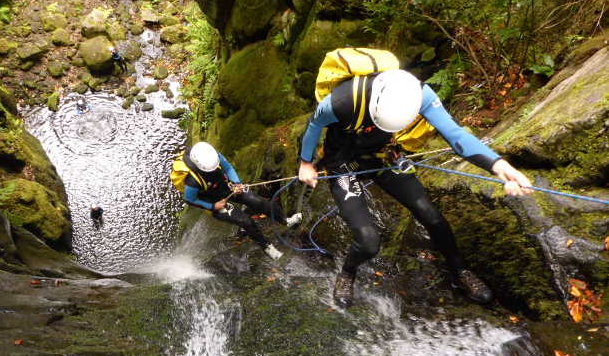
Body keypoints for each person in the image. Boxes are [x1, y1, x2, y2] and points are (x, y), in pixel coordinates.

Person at [297, 69, 533, 308]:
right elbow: (314, 125)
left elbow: (455, 134)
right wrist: (306, 162)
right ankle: (347, 272)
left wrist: (501, 167)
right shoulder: (340, 101)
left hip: (381, 155)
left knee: (431, 216)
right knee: (368, 241)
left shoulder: (420, 94)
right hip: (342, 161)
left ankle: (460, 270)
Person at [179, 142, 302, 259]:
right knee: (245, 221)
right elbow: (190, 199)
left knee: (256, 201)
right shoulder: (192, 180)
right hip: (211, 199)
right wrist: (213, 206)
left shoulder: (212, 156)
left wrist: (237, 183)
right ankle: (266, 246)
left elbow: (228, 168)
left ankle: (285, 220)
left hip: (225, 186)